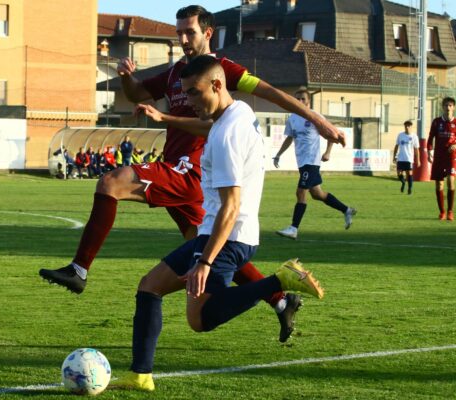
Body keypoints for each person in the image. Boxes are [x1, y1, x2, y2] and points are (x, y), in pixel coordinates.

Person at [39, 5, 343, 342]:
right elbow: (138, 93)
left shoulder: (223, 70)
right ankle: (280, 299)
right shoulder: (175, 74)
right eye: (179, 32)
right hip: (182, 173)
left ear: (208, 33)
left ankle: (79, 269)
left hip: (191, 171)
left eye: (190, 32)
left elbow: (274, 94)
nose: (183, 39)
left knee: (111, 182)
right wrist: (126, 76)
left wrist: (320, 122)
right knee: (212, 245)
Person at [113, 56, 324, 392]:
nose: (190, 103)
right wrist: (168, 117)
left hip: (226, 237)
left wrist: (205, 261)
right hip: (225, 232)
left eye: (195, 94)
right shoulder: (239, 111)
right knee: (149, 286)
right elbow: (209, 127)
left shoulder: (226, 136)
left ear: (217, 85)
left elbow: (231, 205)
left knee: (199, 319)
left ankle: (278, 281)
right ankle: (140, 376)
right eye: (185, 95)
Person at [273, 88, 356, 240]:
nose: (299, 102)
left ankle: (293, 228)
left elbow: (332, 134)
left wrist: (328, 152)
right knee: (318, 194)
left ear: (308, 101)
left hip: (311, 162)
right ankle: (347, 210)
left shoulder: (315, 117)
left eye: (302, 99)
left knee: (300, 192)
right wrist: (278, 154)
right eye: (297, 99)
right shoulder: (292, 119)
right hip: (302, 163)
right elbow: (289, 138)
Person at [427, 97, 456, 220]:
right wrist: (429, 151)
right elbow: (430, 138)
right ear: (442, 107)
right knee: (439, 185)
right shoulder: (436, 122)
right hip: (439, 157)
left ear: (453, 107)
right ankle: (442, 212)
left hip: (451, 157)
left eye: (450, 105)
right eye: (446, 105)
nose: (448, 108)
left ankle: (450, 211)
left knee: (450, 181)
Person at [393, 120, 419, 195]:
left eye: (408, 126)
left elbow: (416, 149)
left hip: (409, 159)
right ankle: (403, 183)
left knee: (409, 174)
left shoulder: (414, 136)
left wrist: (418, 160)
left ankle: (410, 189)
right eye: (406, 126)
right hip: (400, 158)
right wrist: (394, 156)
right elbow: (396, 146)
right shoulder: (400, 135)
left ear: (411, 127)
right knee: (399, 173)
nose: (407, 127)